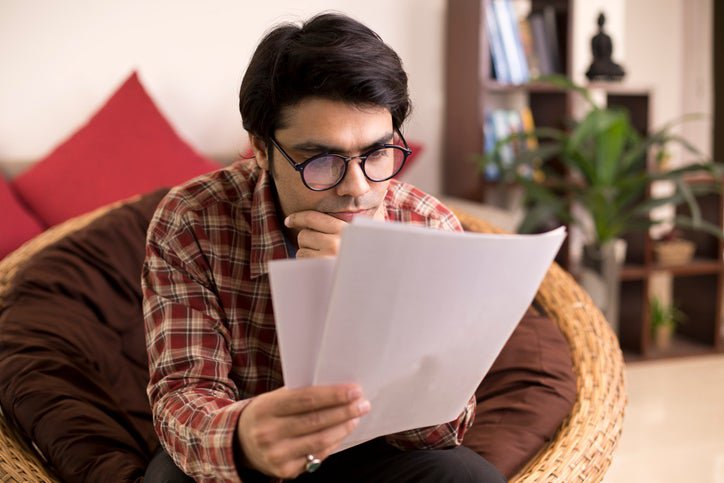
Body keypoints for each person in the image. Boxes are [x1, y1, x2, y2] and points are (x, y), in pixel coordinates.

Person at [142, 12, 506, 483]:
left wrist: (369, 294)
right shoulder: (192, 220)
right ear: (259, 147)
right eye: (322, 159)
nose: (357, 187)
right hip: (250, 446)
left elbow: (443, 430)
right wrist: (244, 437)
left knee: (470, 478)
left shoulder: (429, 225)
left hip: (378, 451)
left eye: (376, 152)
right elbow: (184, 392)